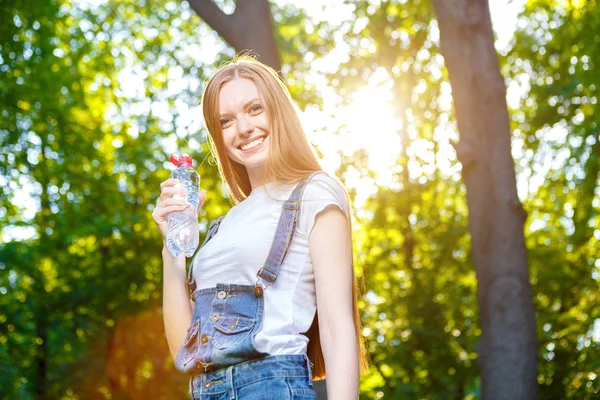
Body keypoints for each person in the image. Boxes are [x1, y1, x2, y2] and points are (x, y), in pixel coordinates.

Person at [152, 56, 368, 400]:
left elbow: (336, 325)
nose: (243, 128)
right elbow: (184, 350)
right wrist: (171, 247)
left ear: (278, 111)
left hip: (271, 387)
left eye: (255, 109)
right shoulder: (223, 226)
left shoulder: (314, 192)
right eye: (226, 121)